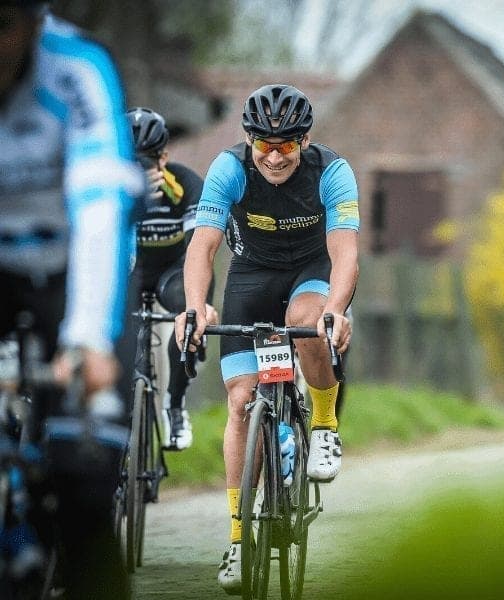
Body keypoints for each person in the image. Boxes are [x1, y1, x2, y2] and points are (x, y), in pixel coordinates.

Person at [174, 84, 359, 593]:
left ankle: (322, 424)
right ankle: (238, 539)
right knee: (240, 402)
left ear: (304, 142)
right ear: (250, 140)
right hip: (252, 276)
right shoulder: (228, 169)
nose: (275, 156)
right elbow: (203, 245)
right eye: (265, 145)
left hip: (312, 271)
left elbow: (344, 251)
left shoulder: (333, 172)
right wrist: (194, 306)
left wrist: (336, 312)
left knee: (307, 320)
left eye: (287, 145)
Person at [0, 1, 141, 597]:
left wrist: (87, 338)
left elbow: (101, 211)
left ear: (33, 22)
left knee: (82, 479)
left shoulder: (76, 70)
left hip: (73, 271)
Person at [127, 106, 218, 450]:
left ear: (164, 157)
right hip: (131, 273)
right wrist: (132, 201)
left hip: (173, 272)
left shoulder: (185, 185)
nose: (141, 168)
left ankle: (175, 404)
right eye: (131, 160)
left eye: (147, 160)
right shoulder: (114, 188)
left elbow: (200, 249)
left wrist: (201, 304)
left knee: (188, 312)